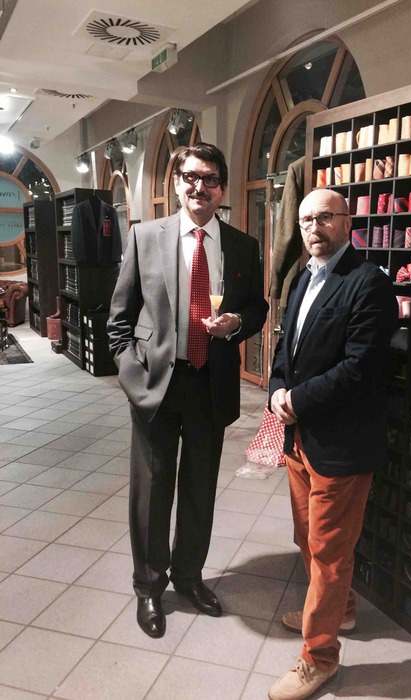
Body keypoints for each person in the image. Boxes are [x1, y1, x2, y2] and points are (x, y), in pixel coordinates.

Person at [108, 143, 268, 638]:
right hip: (156, 385)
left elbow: (258, 308)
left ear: (222, 188)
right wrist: (133, 378)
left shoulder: (241, 245)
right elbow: (118, 319)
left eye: (211, 179)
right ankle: (148, 586)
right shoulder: (145, 236)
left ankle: (189, 576)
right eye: (192, 177)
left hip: (210, 384)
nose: (201, 187)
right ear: (177, 182)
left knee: (200, 489)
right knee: (152, 491)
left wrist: (236, 323)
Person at [268, 188, 398, 700]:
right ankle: (340, 612)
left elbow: (362, 367)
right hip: (301, 438)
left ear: (347, 221)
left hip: (342, 444)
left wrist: (297, 400)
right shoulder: (304, 277)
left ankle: (318, 657)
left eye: (324, 217)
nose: (313, 228)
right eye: (305, 220)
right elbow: (286, 347)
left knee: (328, 553)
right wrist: (277, 388)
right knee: (307, 538)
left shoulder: (369, 283)